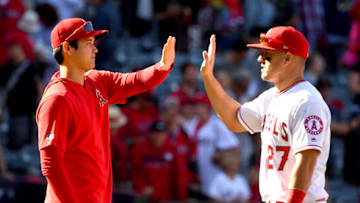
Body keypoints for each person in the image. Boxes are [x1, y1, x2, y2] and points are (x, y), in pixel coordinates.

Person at [36, 18, 176, 203]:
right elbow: (51, 164)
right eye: (88, 44)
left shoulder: (97, 81)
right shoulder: (57, 99)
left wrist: (162, 67)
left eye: (94, 44)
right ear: (68, 49)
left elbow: (135, 81)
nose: (95, 49)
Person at [200, 26, 331, 203]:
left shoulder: (307, 101)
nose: (260, 59)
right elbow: (233, 120)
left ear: (287, 58)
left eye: (267, 55)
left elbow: (306, 161)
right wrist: (209, 79)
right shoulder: (270, 98)